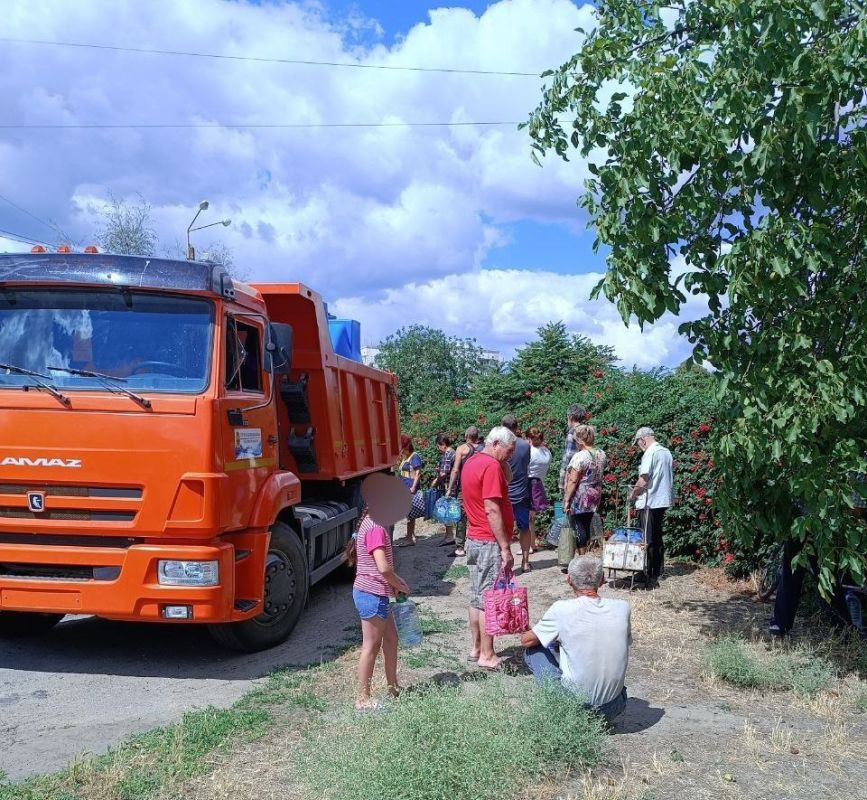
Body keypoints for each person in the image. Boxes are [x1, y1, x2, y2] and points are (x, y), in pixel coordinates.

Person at [521, 554, 630, 723]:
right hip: (614, 706)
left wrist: (525, 624)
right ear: (602, 579)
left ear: (569, 580)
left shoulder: (561, 609)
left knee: (534, 650)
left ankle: (557, 705)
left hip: (575, 707)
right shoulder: (622, 608)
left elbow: (527, 641)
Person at [461, 425, 517, 670]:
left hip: (474, 536)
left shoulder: (472, 461)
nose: (511, 456)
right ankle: (487, 654)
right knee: (489, 600)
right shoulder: (491, 466)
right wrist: (505, 547)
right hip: (488, 541)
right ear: (496, 444)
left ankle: (475, 648)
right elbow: (492, 508)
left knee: (476, 597)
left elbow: (509, 479)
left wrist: (503, 462)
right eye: (509, 451)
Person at [346, 506, 411, 711]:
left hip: (376, 593)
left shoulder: (371, 521)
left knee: (391, 640)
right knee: (371, 647)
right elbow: (383, 568)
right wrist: (399, 585)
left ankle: (393, 688)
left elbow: (380, 568)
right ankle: (362, 698)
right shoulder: (376, 527)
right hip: (371, 595)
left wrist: (395, 583)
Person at [629, 427, 673, 587]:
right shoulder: (666, 452)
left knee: (646, 538)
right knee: (656, 536)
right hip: (662, 500)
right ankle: (657, 571)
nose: (639, 447)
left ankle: (645, 573)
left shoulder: (650, 453)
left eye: (638, 443)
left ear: (643, 439)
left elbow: (644, 479)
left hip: (649, 500)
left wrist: (633, 494)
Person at [563, 424, 607, 558]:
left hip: (581, 495)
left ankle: (582, 558)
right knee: (587, 523)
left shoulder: (580, 456)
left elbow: (573, 480)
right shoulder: (601, 453)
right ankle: (587, 553)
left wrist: (566, 499)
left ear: (580, 440)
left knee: (578, 525)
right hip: (595, 492)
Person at [446, 426, 485, 557]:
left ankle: (460, 547)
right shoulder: (484, 449)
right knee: (480, 514)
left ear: (466, 436)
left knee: (461, 517)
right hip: (481, 487)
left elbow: (455, 470)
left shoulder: (462, 449)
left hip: (465, 488)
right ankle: (481, 544)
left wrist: (450, 489)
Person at [502, 415, 532, 573]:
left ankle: (504, 563)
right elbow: (526, 465)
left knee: (504, 530)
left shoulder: (498, 446)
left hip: (504, 493)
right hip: (522, 492)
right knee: (524, 528)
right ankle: (525, 562)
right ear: (516, 427)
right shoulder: (525, 445)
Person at [396, 435, 424, 546]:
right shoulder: (405, 457)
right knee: (408, 513)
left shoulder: (414, 456)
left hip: (411, 488)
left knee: (410, 513)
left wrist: (413, 488)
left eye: (402, 448)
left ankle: (410, 537)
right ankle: (409, 535)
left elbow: (418, 473)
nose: (401, 450)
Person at [527, 427, 552, 549]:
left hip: (528, 482)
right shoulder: (546, 452)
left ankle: (529, 545)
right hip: (539, 483)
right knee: (532, 516)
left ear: (528, 438)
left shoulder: (528, 451)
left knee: (527, 516)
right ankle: (533, 543)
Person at [431, 433, 456, 546]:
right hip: (453, 485)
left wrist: (435, 481)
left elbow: (444, 473)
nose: (438, 448)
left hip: (448, 486)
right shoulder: (453, 452)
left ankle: (449, 536)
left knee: (447, 511)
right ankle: (449, 535)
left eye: (438, 446)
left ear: (443, 444)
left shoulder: (447, 454)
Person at [559, 404, 588, 492]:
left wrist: (562, 481)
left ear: (570, 417)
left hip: (572, 476)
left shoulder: (572, 432)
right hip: (585, 475)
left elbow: (568, 456)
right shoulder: (586, 431)